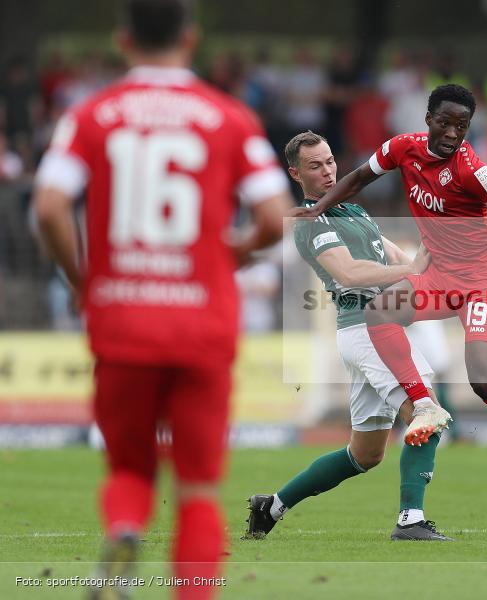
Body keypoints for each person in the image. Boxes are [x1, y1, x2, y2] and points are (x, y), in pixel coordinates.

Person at [31, 1, 292, 598]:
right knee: (198, 486)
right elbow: (277, 219)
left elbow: (48, 205)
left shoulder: (92, 114)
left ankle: (125, 528)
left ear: (123, 40)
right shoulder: (228, 117)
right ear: (191, 38)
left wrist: (81, 280)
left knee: (128, 467)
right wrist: (237, 252)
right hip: (202, 321)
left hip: (121, 317)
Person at [290, 83, 487, 521]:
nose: (453, 133)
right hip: (439, 274)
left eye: (463, 126)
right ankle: (422, 402)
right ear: (427, 120)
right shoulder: (404, 149)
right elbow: (360, 177)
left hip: (482, 282)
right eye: (445, 122)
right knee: (379, 309)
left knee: (484, 382)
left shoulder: (473, 170)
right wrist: (317, 206)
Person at [245, 131, 453, 542]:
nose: (327, 171)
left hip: (375, 331)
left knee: (365, 455)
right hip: (366, 330)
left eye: (329, 161)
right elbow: (349, 273)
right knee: (426, 413)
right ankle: (410, 520)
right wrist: (411, 271)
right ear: (295, 173)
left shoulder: (353, 208)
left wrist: (434, 258)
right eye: (314, 166)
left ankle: (271, 506)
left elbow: (395, 256)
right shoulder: (310, 220)